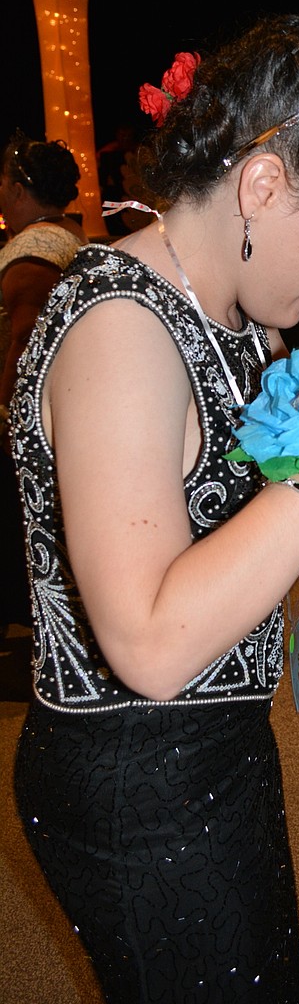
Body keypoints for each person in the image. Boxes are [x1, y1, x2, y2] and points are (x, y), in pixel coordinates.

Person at [10, 14, 299, 1004]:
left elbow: (278, 469)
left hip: (211, 749)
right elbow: (153, 642)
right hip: (135, 774)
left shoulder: (231, 311)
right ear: (261, 187)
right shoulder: (119, 328)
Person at [0, 132, 86, 633]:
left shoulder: (31, 250)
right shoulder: (67, 235)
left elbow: (25, 342)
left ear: (17, 190)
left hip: (27, 416)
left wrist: (12, 417)